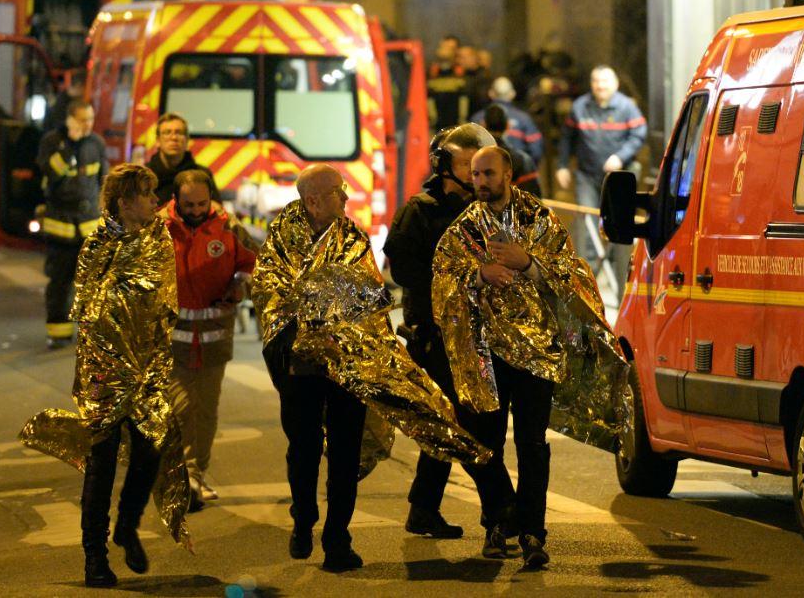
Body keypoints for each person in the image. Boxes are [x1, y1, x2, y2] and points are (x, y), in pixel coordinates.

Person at [252, 164, 488, 573]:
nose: (345, 197)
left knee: (345, 452)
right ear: (313, 200)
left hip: (351, 362)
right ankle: (304, 518)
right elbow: (270, 292)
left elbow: (369, 292)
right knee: (303, 449)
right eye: (338, 191)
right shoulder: (283, 238)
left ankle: (337, 539)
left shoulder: (352, 236)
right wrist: (309, 326)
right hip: (303, 365)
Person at [433, 146, 629, 569]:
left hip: (538, 354)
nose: (481, 182)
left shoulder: (540, 221)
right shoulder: (465, 228)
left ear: (508, 174)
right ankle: (498, 524)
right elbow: (442, 279)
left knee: (532, 446)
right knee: (485, 442)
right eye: (475, 175)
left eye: (488, 173)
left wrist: (530, 264)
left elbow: (573, 275)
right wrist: (477, 275)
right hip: (485, 353)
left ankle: (534, 535)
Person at [20, 163, 190, 588]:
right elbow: (88, 306)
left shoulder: (158, 240)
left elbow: (166, 299)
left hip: (148, 365)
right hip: (106, 369)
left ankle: (127, 526)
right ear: (125, 202)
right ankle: (94, 556)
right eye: (148, 195)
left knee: (151, 449)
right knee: (101, 463)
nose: (156, 201)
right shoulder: (98, 244)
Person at [384, 123, 516, 547]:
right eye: (468, 165)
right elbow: (405, 272)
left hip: (483, 333)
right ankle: (503, 514)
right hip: (437, 335)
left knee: (449, 423)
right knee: (469, 425)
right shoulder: (419, 212)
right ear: (446, 167)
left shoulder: (482, 211)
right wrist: (461, 278)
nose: (478, 172)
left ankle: (423, 507)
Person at [163, 169, 256, 512]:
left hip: (215, 336)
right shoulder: (159, 228)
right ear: (176, 200)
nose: (197, 209)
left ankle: (196, 473)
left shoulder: (229, 226)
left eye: (202, 203)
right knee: (180, 410)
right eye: (189, 204)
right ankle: (184, 478)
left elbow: (250, 262)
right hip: (174, 341)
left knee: (206, 410)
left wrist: (238, 285)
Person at [555, 65, 647, 273]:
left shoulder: (626, 108)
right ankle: (589, 277)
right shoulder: (579, 107)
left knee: (619, 226)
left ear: (615, 84)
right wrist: (562, 166)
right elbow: (566, 138)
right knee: (587, 225)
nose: (600, 86)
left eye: (605, 81)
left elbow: (639, 135)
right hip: (587, 175)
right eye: (596, 81)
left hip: (617, 178)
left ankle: (619, 276)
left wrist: (620, 157)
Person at [35, 100, 108, 349]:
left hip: (90, 227)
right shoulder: (52, 142)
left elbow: (103, 181)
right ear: (70, 120)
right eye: (82, 120)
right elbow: (49, 174)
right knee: (60, 283)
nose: (88, 125)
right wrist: (69, 148)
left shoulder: (96, 143)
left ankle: (92, 334)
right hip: (61, 227)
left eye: (90, 119)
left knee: (95, 284)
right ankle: (59, 333)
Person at [147, 112, 222, 204]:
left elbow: (217, 211)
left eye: (179, 133)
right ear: (158, 140)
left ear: (187, 140)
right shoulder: (145, 176)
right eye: (167, 132)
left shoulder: (203, 175)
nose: (174, 137)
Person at [471, 77, 544, 166]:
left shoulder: (476, 118)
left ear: (491, 93)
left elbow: (469, 150)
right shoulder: (524, 119)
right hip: (516, 173)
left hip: (485, 172)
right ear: (512, 94)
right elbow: (536, 151)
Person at [482, 104, 541, 196]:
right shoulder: (522, 160)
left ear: (483, 125)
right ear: (508, 126)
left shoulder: (472, 158)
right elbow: (533, 200)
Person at [427, 34, 468, 130]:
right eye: (443, 47)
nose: (445, 51)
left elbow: (465, 97)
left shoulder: (461, 72)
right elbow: (428, 97)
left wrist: (463, 118)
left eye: (450, 48)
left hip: (457, 125)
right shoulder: (431, 72)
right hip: (437, 125)